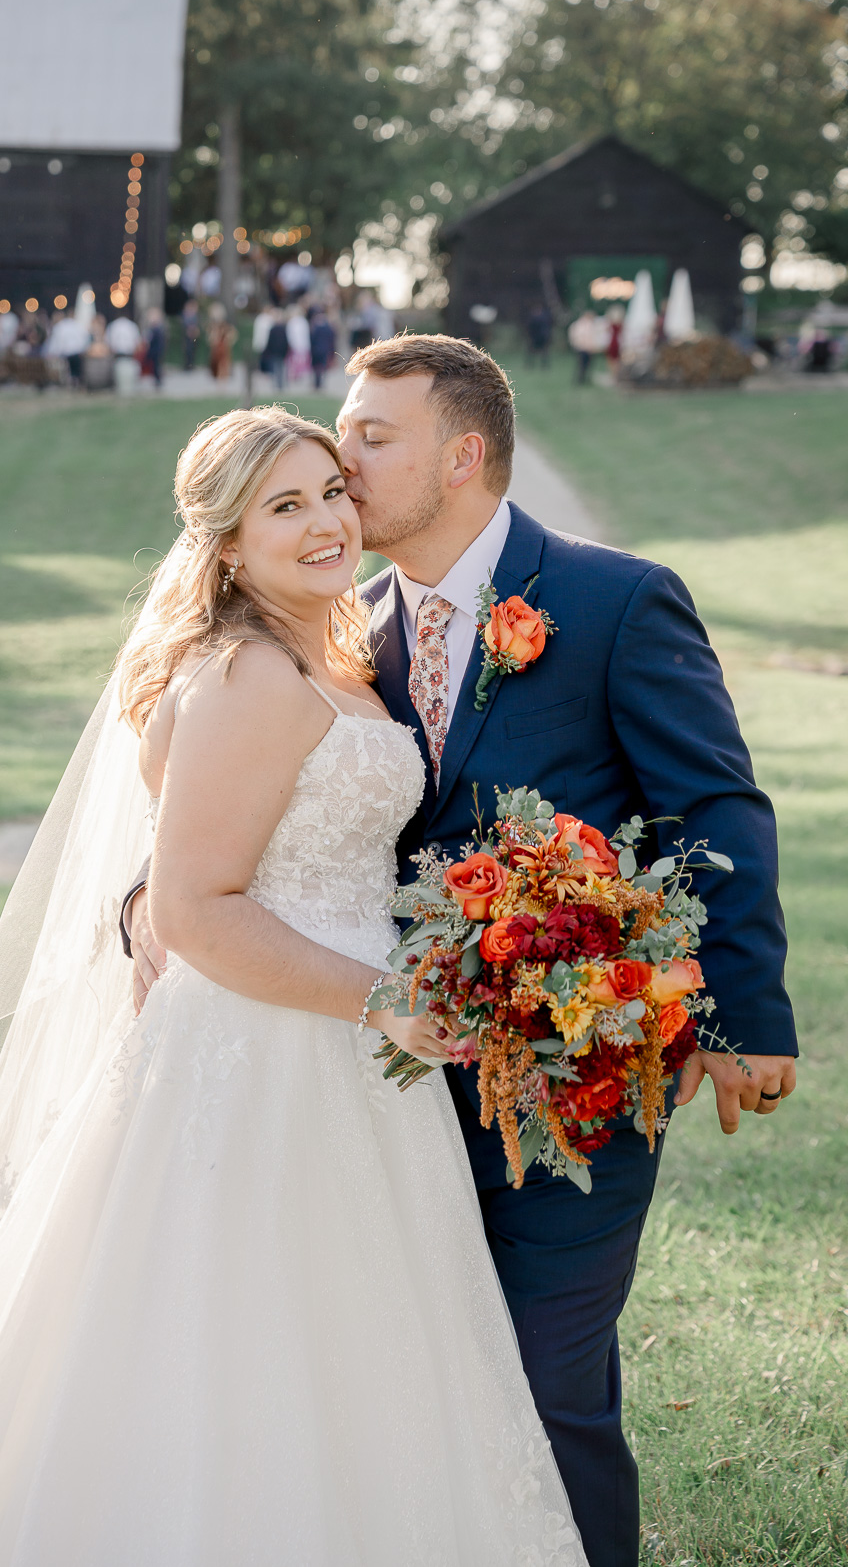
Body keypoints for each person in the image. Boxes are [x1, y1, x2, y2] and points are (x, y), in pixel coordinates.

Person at [0, 406, 586, 1567]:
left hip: (354, 1052)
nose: (323, 523)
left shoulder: (336, 655)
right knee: (231, 1342)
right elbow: (196, 909)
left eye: (330, 491)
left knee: (352, 1347)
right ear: (227, 545)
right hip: (270, 1048)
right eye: (283, 506)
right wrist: (384, 1001)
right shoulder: (252, 673)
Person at [125, 335, 798, 1567]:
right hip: (373, 1091)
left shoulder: (611, 599)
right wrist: (146, 902)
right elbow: (246, 810)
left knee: (545, 1393)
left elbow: (715, 808)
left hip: (572, 1077)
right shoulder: (340, 626)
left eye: (369, 440)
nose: (343, 462)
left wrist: (743, 1014)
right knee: (406, 1394)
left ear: (465, 453)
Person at [567, 309, 604, 384]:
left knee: (588, 365)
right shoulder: (579, 325)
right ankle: (580, 379)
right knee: (581, 365)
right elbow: (576, 337)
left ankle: (585, 379)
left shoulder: (591, 325)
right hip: (582, 348)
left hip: (589, 348)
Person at [309, 308, 337, 390]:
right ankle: (320, 383)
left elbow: (312, 339)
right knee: (322, 367)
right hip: (325, 350)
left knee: (317, 367)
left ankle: (317, 383)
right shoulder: (329, 328)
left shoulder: (316, 328)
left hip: (317, 350)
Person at [207, 302, 235, 382]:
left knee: (224, 361)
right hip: (216, 346)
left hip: (223, 345)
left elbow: (232, 333)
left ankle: (224, 376)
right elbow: (211, 336)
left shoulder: (225, 324)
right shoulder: (213, 325)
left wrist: (228, 339)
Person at [263, 308, 289, 390]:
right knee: (279, 367)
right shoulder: (281, 328)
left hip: (277, 351)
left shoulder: (276, 329)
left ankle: (278, 384)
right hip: (279, 351)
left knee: (277, 367)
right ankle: (279, 384)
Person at [143, 305, 166, 388]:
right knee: (154, 366)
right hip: (154, 349)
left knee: (156, 366)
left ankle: (158, 381)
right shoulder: (154, 328)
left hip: (156, 350)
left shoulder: (157, 328)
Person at [525, 303, 553, 369]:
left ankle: (543, 365)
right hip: (536, 337)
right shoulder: (539, 317)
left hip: (541, 337)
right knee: (532, 352)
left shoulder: (542, 318)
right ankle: (531, 365)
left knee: (543, 353)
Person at [181, 296, 201, 370]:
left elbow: (197, 324)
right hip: (187, 335)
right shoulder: (185, 314)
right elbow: (184, 324)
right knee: (187, 350)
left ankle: (191, 364)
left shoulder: (195, 315)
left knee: (192, 349)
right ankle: (187, 364)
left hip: (194, 335)